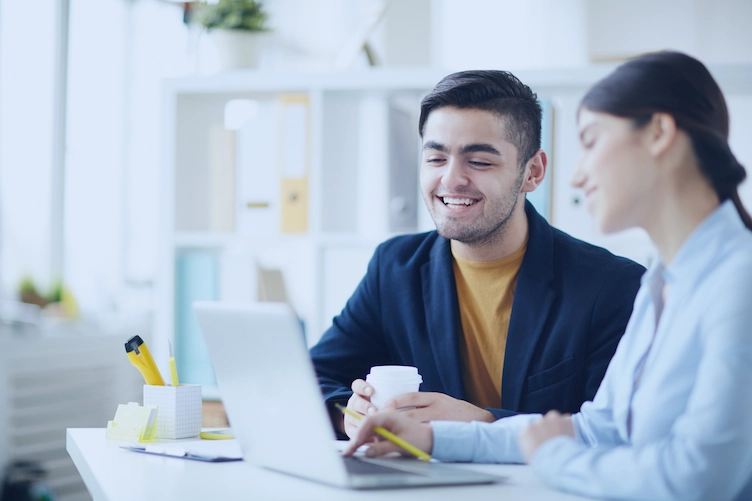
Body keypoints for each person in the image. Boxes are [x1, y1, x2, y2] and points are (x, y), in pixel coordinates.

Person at [344, 51, 752, 501]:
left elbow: (700, 477)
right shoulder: (664, 282)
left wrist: (554, 456)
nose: (578, 175)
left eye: (592, 142)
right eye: (437, 157)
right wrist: (433, 438)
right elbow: (602, 428)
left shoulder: (737, 281)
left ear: (659, 133)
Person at [310, 70, 645, 439]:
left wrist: (484, 424)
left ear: (532, 172)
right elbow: (313, 376)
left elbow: (617, 431)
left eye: (480, 162)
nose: (451, 180)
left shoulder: (612, 286)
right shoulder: (394, 268)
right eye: (436, 158)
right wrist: (352, 415)